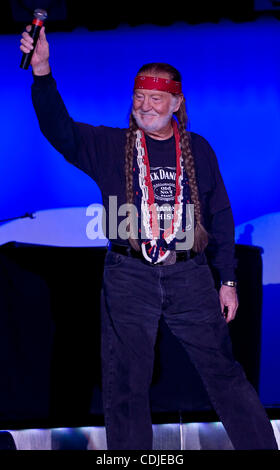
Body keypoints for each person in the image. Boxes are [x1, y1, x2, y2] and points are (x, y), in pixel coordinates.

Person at [20, 26, 278, 451]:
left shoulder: (199, 149)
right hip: (128, 276)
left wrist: (228, 280)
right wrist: (42, 70)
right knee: (124, 382)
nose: (145, 106)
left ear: (177, 102)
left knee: (224, 372)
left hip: (190, 276)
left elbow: (220, 216)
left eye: (156, 98)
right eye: (139, 97)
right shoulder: (110, 145)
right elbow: (59, 129)